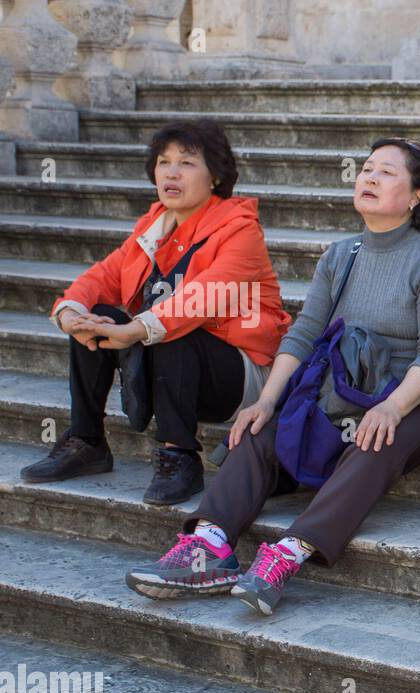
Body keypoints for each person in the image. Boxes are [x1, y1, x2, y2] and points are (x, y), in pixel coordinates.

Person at [124, 138, 420, 615]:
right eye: (367, 168)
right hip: (346, 383)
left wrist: (392, 406)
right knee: (260, 425)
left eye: (387, 173)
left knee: (377, 439)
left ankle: (288, 553)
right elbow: (304, 333)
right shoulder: (341, 255)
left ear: (416, 195)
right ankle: (210, 545)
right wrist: (267, 399)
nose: (368, 178)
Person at [22, 119, 290, 505]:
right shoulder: (154, 226)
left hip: (242, 374)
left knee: (173, 327)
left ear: (215, 176)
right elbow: (105, 275)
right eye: (164, 162)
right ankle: (87, 441)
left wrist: (135, 331)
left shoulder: (240, 230)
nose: (172, 172)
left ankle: (179, 456)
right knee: (97, 315)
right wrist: (70, 312)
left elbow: (201, 298)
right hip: (170, 363)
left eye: (187, 162)